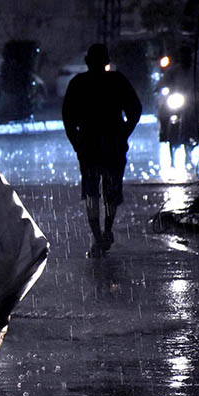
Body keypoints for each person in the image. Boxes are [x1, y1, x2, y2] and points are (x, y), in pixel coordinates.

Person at [62, 43, 142, 258]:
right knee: (110, 191)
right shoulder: (117, 81)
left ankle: (99, 236)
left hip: (89, 147)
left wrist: (76, 143)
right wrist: (124, 131)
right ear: (106, 62)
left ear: (88, 62)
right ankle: (106, 230)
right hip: (112, 146)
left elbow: (68, 119)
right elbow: (135, 109)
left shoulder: (79, 83)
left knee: (91, 193)